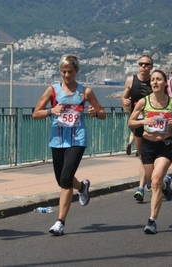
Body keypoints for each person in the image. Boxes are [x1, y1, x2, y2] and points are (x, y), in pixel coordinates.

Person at [32, 54, 106, 236]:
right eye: (64, 72)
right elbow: (36, 113)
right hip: (57, 140)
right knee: (62, 179)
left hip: (77, 139)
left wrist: (95, 113)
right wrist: (51, 110)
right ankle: (82, 188)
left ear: (77, 71)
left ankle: (60, 222)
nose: (67, 75)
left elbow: (102, 112)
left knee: (65, 178)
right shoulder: (53, 90)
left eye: (70, 71)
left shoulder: (85, 92)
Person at [128, 70, 172, 234]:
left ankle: (152, 221)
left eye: (158, 79)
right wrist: (143, 121)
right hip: (147, 145)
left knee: (154, 182)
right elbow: (131, 123)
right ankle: (166, 183)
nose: (155, 82)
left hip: (164, 145)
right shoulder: (143, 102)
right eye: (153, 80)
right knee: (151, 180)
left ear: (165, 83)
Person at [121, 54, 153, 201]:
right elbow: (124, 97)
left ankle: (143, 185)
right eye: (141, 64)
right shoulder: (131, 80)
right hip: (137, 121)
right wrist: (125, 102)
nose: (144, 67)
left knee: (149, 155)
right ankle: (147, 181)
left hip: (152, 123)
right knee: (142, 155)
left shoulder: (155, 80)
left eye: (147, 64)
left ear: (151, 67)